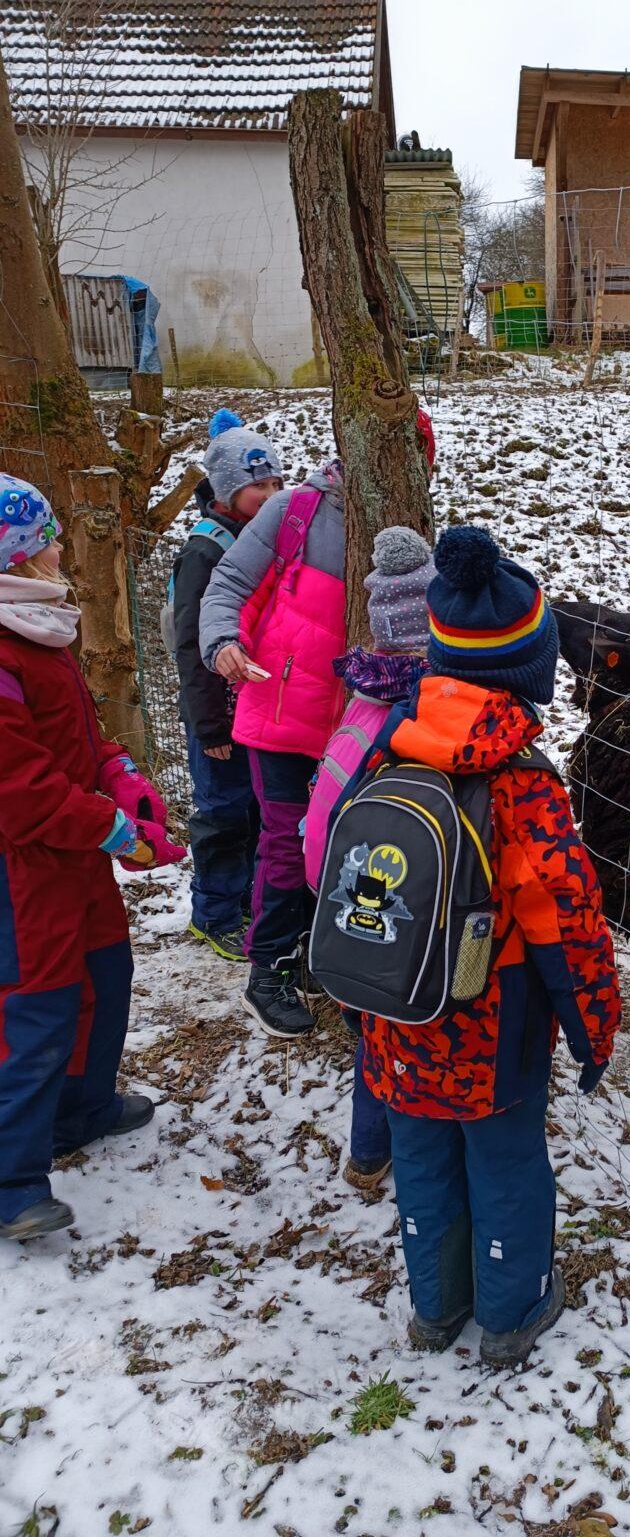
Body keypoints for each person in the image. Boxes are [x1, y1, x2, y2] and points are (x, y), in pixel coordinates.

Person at [359, 526, 621, 1367]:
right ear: (529, 672)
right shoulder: (523, 786)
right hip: (490, 1023)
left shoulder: (387, 748)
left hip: (396, 1009)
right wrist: (594, 1034)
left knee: (423, 1160)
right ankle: (511, 1314)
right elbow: (567, 924)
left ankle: (436, 1310)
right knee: (506, 1166)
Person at [0, 475, 184, 1243]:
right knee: (36, 1010)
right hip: (28, 870)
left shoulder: (43, 630)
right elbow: (19, 789)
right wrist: (107, 824)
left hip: (78, 853)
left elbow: (79, 736)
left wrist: (120, 772)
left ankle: (85, 1103)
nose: (59, 551)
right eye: (44, 542)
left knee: (106, 976)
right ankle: (12, 1177)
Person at [304, 525, 436, 1193]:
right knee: (393, 1036)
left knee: (373, 1036)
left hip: (334, 897)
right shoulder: (414, 720)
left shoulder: (363, 696)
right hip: (381, 910)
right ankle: (391, 1152)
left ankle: (366, 1154)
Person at [199, 449, 347, 1039]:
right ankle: (270, 972)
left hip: (352, 723)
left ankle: (321, 956)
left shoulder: (411, 516)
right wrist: (221, 642)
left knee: (340, 844)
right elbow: (227, 584)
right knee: (287, 842)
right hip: (281, 712)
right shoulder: (294, 512)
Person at [171, 410, 282, 961]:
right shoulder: (205, 551)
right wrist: (208, 722)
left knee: (252, 810)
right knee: (220, 812)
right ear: (228, 490)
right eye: (257, 485)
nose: (270, 493)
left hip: (253, 706)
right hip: (217, 713)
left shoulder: (255, 537)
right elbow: (191, 647)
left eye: (275, 483)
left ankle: (239, 900)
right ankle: (213, 913)